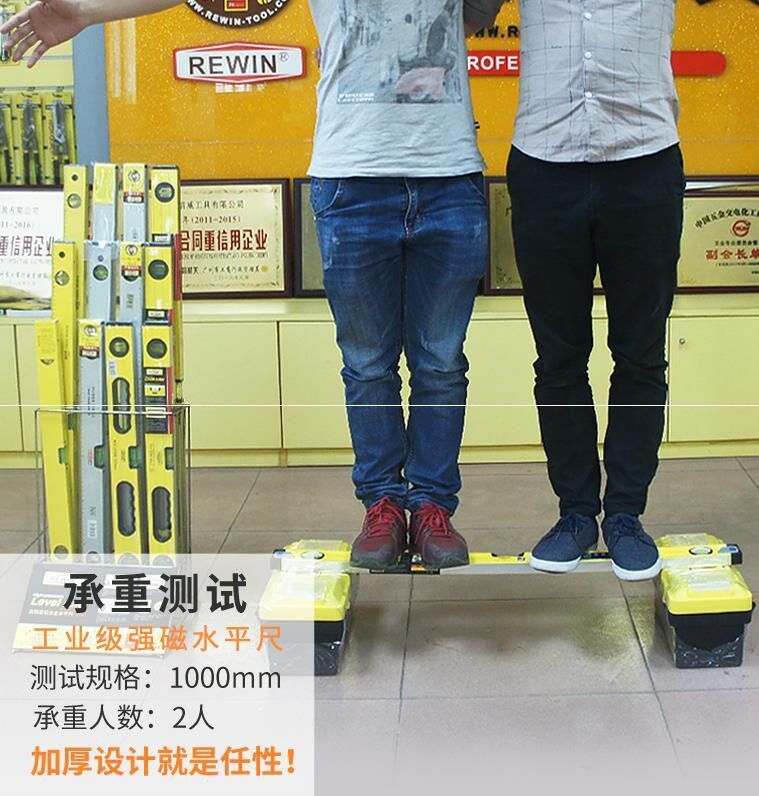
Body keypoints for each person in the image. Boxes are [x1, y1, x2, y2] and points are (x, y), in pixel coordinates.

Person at [2, 0, 495, 570]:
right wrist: (87, 12)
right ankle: (382, 505)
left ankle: (431, 507)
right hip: (352, 177)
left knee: (440, 362)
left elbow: (472, 15)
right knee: (366, 363)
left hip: (449, 175)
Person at [466, 0, 759, 582]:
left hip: (644, 162)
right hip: (545, 164)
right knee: (559, 358)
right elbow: (467, 17)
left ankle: (624, 515)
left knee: (640, 355)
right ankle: (575, 514)